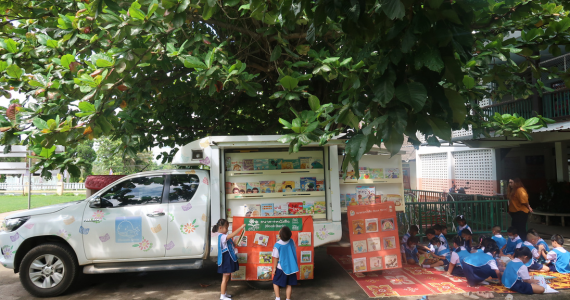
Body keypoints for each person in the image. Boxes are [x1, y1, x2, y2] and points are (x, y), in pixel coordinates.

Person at [213, 219, 246, 300]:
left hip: (228, 259)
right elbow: (232, 235)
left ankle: (225, 293)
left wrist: (236, 242)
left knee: (227, 278)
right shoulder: (222, 236)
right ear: (220, 228)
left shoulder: (224, 236)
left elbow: (231, 242)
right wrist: (241, 227)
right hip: (226, 260)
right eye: (226, 228)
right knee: (225, 278)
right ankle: (222, 296)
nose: (227, 230)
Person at [272, 226, 298, 300]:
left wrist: (274, 268)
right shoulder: (291, 241)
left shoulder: (277, 245)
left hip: (281, 268)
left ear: (279, 235)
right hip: (292, 267)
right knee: (289, 284)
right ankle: (288, 299)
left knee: (275, 282)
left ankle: (277, 298)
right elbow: (294, 249)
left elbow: (276, 258)